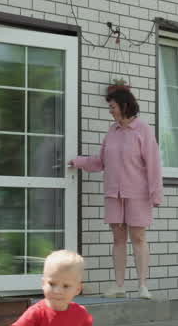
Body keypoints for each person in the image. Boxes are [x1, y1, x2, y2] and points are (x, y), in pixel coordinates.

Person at [68, 86, 163, 299]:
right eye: (110, 107)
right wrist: (78, 162)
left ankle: (142, 286)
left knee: (138, 237)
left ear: (124, 106)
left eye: (113, 107)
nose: (110, 111)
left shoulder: (143, 130)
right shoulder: (112, 131)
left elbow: (154, 164)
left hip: (137, 194)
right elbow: (101, 161)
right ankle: (119, 286)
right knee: (118, 239)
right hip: (114, 194)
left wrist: (156, 193)